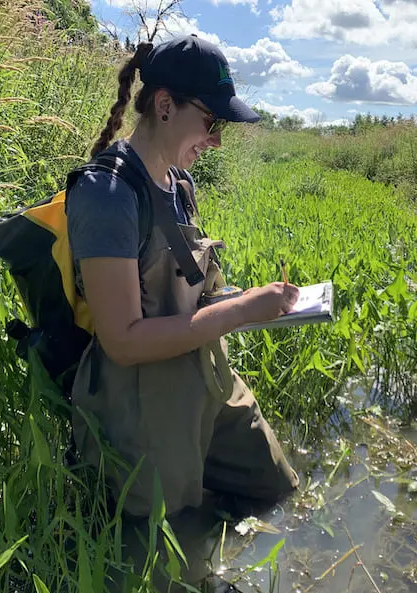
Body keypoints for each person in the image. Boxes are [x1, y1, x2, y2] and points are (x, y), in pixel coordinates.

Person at [66, 35, 300, 518]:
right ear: (165, 105)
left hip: (206, 373)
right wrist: (241, 311)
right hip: (142, 401)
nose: (215, 140)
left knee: (276, 485)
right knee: (169, 557)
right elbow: (124, 342)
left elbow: (188, 290)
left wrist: (252, 299)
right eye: (211, 122)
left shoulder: (179, 183)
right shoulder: (107, 195)